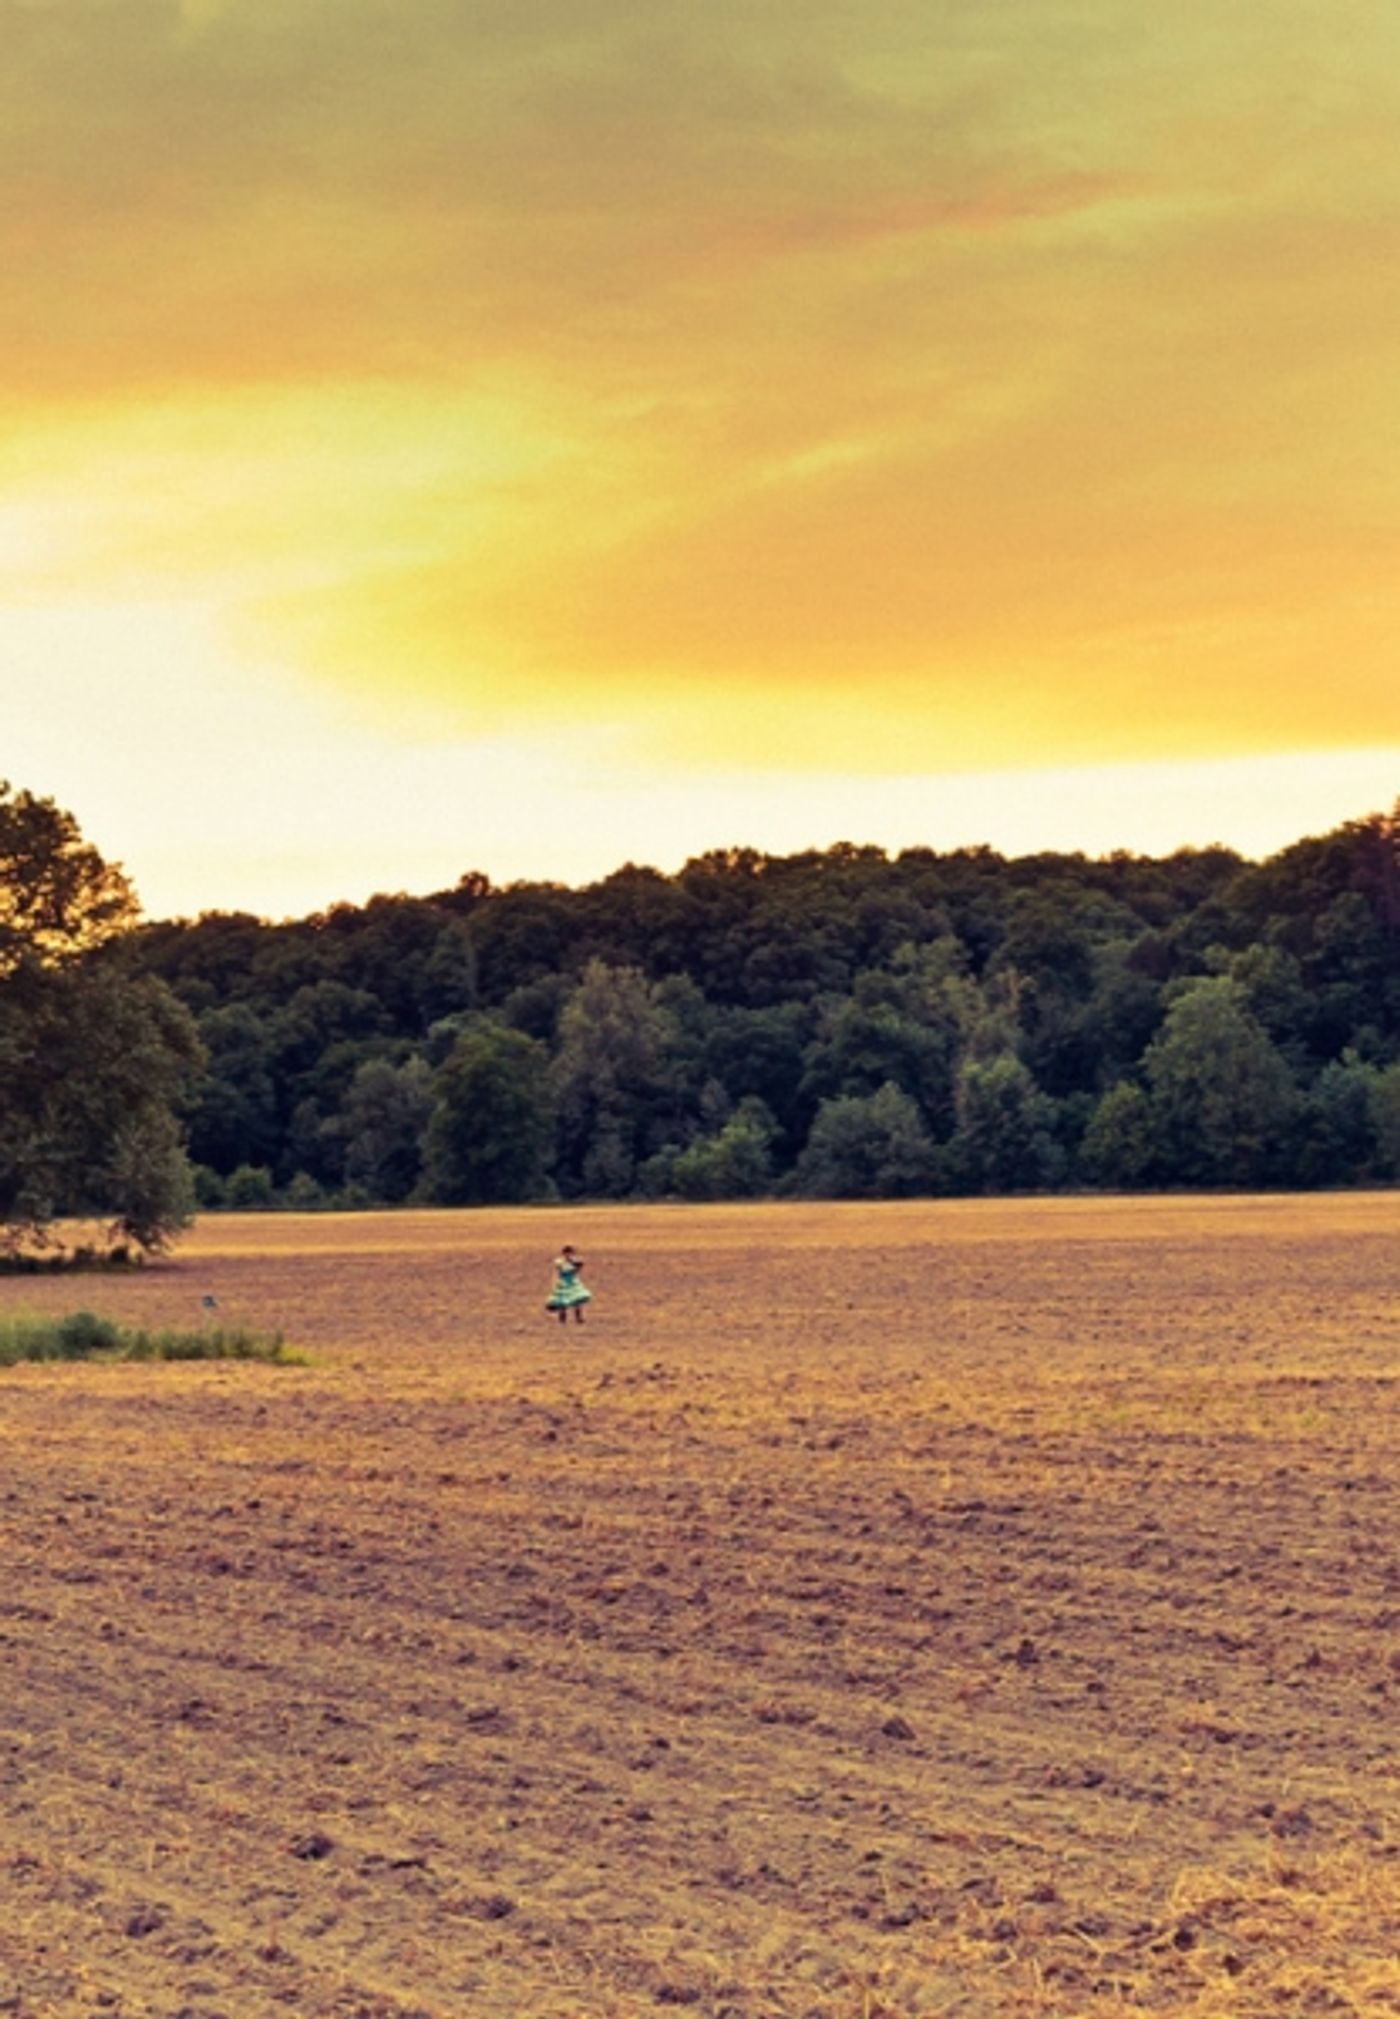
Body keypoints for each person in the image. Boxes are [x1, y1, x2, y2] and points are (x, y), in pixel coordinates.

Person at [545, 1244, 592, 1325]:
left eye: (570, 1253)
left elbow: (579, 1267)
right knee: (562, 1303)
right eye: (567, 1253)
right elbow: (557, 1273)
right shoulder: (559, 1262)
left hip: (573, 1283)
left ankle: (579, 1318)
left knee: (577, 1302)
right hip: (563, 1283)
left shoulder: (576, 1261)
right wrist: (554, 1284)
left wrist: (573, 1262)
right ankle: (562, 1320)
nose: (568, 1254)